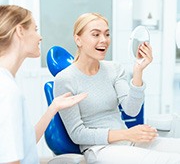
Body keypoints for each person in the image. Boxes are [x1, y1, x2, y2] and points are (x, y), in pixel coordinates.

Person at [54, 12, 180, 164]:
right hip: (99, 149)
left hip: (127, 140)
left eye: (107, 34)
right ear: (78, 39)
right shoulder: (65, 79)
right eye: (96, 34)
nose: (104, 40)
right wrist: (126, 134)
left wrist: (138, 71)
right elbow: (77, 134)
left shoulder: (114, 68)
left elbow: (131, 110)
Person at [0, 5, 87, 164]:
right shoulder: (7, 91)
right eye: (35, 29)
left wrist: (54, 107)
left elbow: (23, 145)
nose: (39, 37)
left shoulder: (5, 83)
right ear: (20, 31)